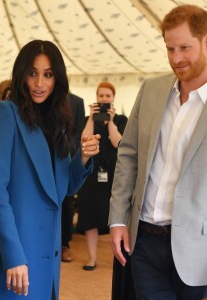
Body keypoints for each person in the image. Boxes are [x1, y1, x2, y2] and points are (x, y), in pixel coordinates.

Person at [0, 39, 100, 300]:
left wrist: (84, 158)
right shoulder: (3, 113)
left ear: (58, 79)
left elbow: (65, 187)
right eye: (32, 73)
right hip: (13, 249)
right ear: (21, 74)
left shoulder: (57, 121)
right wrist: (13, 256)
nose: (39, 83)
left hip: (47, 252)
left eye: (48, 75)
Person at [109, 4, 207, 299]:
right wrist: (117, 220)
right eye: (169, 49)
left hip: (197, 249)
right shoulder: (150, 89)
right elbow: (128, 155)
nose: (176, 58)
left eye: (184, 48)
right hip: (145, 243)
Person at [77, 82, 127, 271]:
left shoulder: (121, 120)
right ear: (96, 98)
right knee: (90, 213)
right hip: (91, 174)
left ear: (113, 98)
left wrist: (111, 122)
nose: (104, 99)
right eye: (101, 96)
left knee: (118, 214)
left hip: (115, 174)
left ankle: (120, 258)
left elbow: (117, 143)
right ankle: (92, 258)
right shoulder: (87, 120)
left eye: (108, 96)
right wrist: (91, 118)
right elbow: (84, 140)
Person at [61, 92, 85, 262]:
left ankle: (65, 245)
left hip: (68, 155)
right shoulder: (43, 96)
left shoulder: (77, 101)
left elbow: (79, 131)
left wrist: (70, 146)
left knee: (67, 201)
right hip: (46, 154)